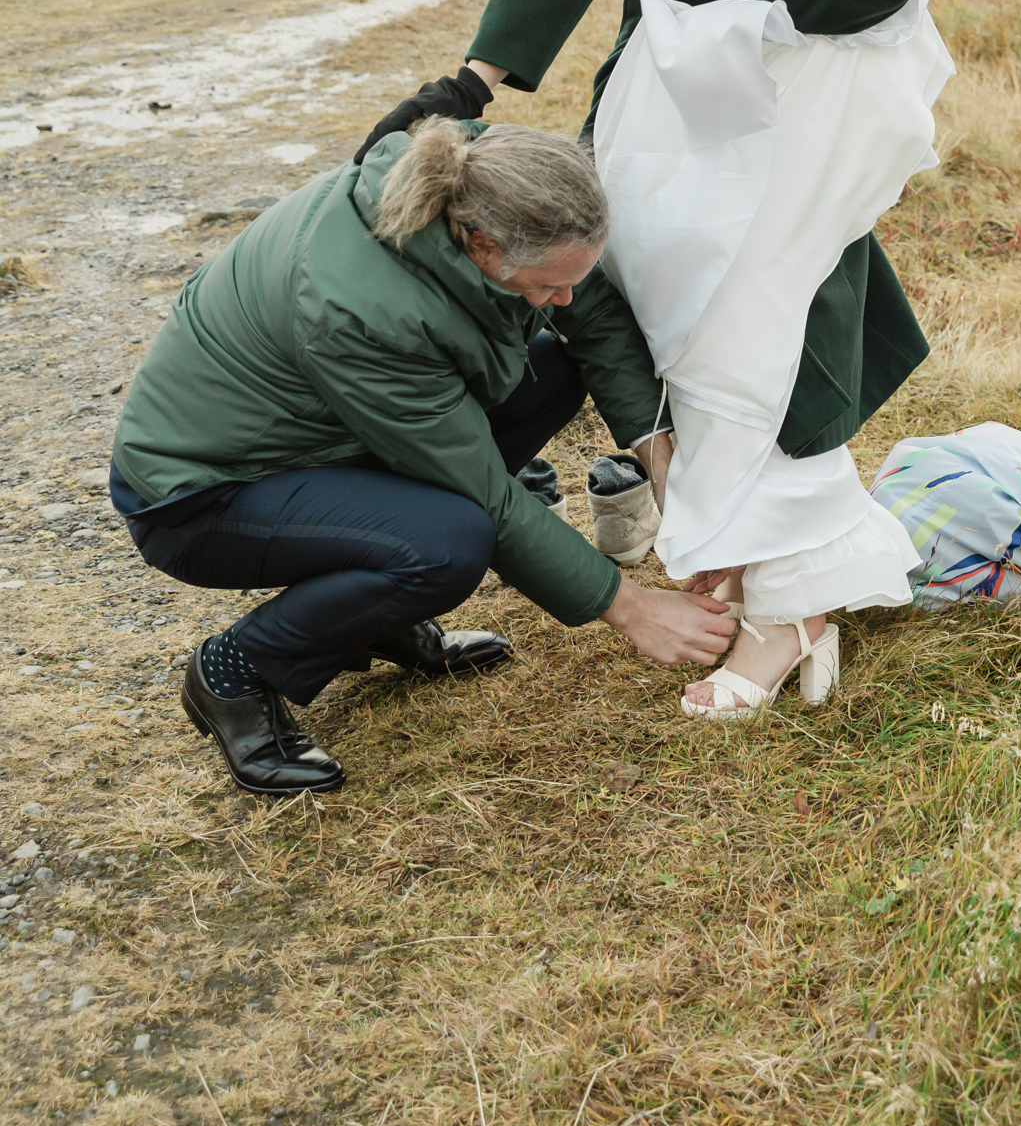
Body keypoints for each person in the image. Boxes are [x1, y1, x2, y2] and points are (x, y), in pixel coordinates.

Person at [356, 0, 952, 718]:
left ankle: (789, 604)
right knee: (633, 278)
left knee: (757, 308)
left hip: (815, 69)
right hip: (677, 68)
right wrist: (479, 79)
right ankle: (724, 534)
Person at [109, 120, 734, 793]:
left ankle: (380, 616)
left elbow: (596, 322)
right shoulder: (359, 310)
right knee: (448, 544)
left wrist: (666, 475)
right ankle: (236, 670)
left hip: (328, 441)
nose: (565, 299)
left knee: (554, 371)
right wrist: (628, 606)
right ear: (483, 246)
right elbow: (484, 491)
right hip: (203, 494)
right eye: (547, 285)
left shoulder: (489, 174)